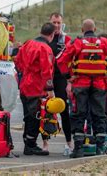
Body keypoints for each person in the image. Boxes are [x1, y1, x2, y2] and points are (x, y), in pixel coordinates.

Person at [57, 19, 107, 158]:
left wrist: (68, 76)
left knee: (78, 114)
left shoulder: (77, 42)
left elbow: (61, 60)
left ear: (82, 30)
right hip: (99, 84)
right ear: (95, 29)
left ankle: (78, 149)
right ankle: (100, 148)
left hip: (80, 83)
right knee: (99, 115)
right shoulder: (105, 42)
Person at [15, 23, 56, 156]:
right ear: (52, 35)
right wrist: (50, 89)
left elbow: (18, 62)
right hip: (37, 87)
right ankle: (30, 144)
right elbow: (47, 70)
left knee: (28, 116)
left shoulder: (27, 44)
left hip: (25, 85)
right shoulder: (45, 48)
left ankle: (28, 142)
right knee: (36, 117)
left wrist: (25, 73)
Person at [46, 13, 73, 152]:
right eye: (54, 22)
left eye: (59, 23)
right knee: (45, 109)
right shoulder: (45, 38)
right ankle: (45, 144)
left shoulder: (66, 39)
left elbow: (72, 62)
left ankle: (69, 142)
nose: (56, 25)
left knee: (64, 110)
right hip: (47, 77)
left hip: (62, 78)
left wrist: (70, 82)